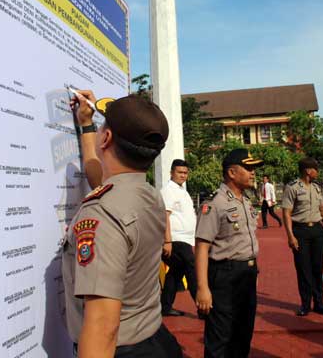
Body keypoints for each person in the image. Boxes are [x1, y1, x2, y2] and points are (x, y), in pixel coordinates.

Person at [62, 91, 182, 357]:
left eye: (102, 128)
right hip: (153, 338)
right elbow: (101, 179)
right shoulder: (149, 195)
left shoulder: (102, 214)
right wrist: (86, 126)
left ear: (106, 138)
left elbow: (103, 326)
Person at [195, 148, 263, 358]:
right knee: (220, 337)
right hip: (224, 276)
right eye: (248, 168)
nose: (253, 173)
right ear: (232, 173)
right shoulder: (215, 204)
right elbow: (201, 247)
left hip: (246, 275)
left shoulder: (245, 201)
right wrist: (203, 288)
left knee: (243, 333)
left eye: (254, 169)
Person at [281, 157, 323, 316]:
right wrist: (290, 236)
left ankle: (319, 303)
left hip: (317, 231)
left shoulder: (317, 188)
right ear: (308, 170)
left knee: (318, 268)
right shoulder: (292, 188)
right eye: (315, 169)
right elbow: (286, 213)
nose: (317, 172)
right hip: (301, 231)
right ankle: (305, 304)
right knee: (304, 269)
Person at [160, 158, 198, 317]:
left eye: (185, 172)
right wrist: (167, 241)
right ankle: (203, 307)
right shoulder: (169, 190)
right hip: (176, 239)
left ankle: (165, 307)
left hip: (185, 239)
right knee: (192, 269)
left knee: (176, 272)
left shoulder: (181, 190)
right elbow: (164, 216)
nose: (183, 175)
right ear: (171, 173)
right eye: (180, 172)